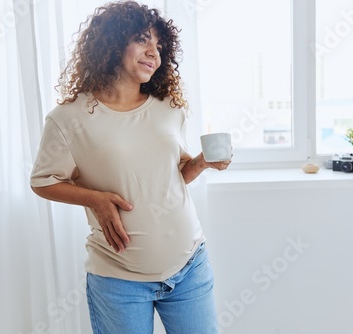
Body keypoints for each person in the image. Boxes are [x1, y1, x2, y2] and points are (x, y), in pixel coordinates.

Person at [30, 2, 231, 333]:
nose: (154, 52)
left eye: (160, 46)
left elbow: (173, 174)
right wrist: (94, 199)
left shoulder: (168, 107)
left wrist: (200, 163)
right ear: (111, 43)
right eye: (142, 40)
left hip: (189, 265)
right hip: (119, 278)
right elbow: (43, 181)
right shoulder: (70, 118)